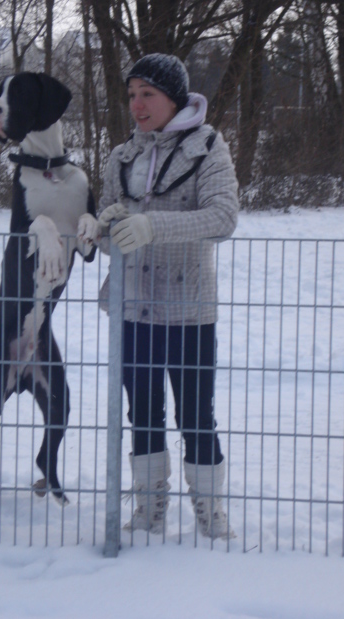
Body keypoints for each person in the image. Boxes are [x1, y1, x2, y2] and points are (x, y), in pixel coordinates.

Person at [78, 53, 239, 538]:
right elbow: (112, 236)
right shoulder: (122, 155)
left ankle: (210, 513)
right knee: (142, 414)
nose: (137, 104)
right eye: (131, 95)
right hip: (134, 310)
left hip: (189, 310)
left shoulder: (209, 147)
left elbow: (223, 218)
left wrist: (152, 225)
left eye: (147, 94)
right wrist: (102, 228)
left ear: (174, 97)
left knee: (196, 416)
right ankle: (150, 510)